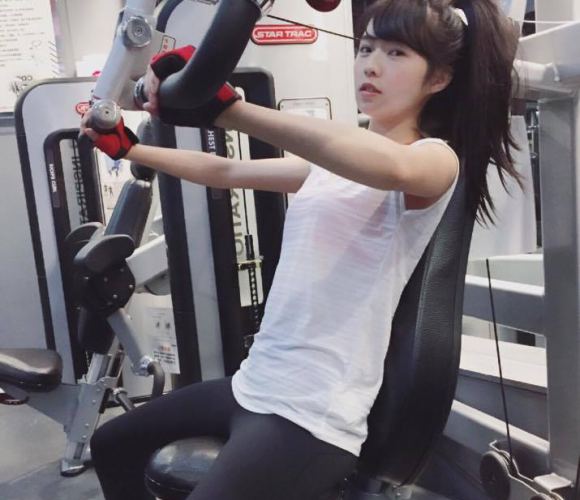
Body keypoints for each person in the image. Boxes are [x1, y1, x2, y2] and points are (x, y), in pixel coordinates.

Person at [81, 0, 521, 498]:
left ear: (438, 79)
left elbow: (391, 168)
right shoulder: (334, 166)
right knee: (112, 444)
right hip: (255, 385)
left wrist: (232, 111)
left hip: (311, 417)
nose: (371, 65)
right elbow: (224, 171)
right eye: (366, 49)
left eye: (396, 53)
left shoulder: (434, 161)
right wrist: (130, 148)